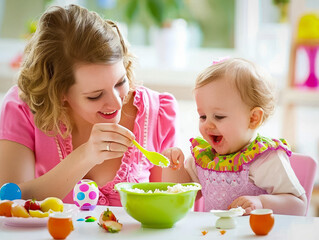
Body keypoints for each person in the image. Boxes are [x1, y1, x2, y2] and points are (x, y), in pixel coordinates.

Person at [0, 4, 181, 205]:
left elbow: (166, 208)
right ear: (59, 93)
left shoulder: (158, 113)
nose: (115, 102)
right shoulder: (23, 108)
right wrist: (86, 156)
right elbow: (9, 202)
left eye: (120, 82)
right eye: (95, 95)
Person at [162, 58, 307, 215]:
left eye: (218, 116)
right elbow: (179, 198)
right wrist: (174, 167)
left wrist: (261, 202)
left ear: (253, 118)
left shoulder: (265, 159)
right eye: (203, 116)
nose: (208, 124)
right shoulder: (206, 158)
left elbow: (298, 205)